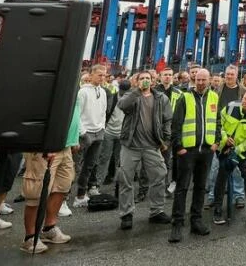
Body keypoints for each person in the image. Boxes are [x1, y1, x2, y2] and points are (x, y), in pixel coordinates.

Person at [19, 96, 81, 253]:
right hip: (45, 147)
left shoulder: (72, 81)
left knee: (62, 186)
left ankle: (49, 228)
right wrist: (43, 144)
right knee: (37, 192)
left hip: (65, 145)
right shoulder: (47, 81)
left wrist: (74, 138)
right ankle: (30, 238)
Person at [169, 68, 220, 243]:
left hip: (206, 150)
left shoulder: (214, 97)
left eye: (204, 80)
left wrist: (216, 142)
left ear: (209, 80)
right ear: (194, 80)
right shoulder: (185, 97)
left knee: (200, 187)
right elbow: (176, 124)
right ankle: (177, 224)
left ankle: (196, 221)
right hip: (188, 151)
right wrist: (179, 147)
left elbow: (218, 121)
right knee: (182, 188)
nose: (200, 83)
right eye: (198, 80)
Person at [117, 71, 173, 230]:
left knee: (160, 174)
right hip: (131, 145)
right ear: (137, 81)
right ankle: (126, 214)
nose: (145, 81)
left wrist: (166, 139)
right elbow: (122, 105)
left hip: (151, 145)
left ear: (153, 81)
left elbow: (167, 119)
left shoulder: (161, 98)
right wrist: (136, 91)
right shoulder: (132, 95)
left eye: (148, 78)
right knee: (126, 179)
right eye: (142, 78)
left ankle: (156, 211)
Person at [212, 88, 246, 224]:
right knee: (221, 177)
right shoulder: (230, 107)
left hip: (243, 151)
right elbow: (219, 124)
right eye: (245, 98)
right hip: (225, 147)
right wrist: (224, 139)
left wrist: (237, 149)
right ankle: (217, 209)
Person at [207, 65, 246, 209]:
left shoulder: (243, 91)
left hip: (236, 135)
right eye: (227, 74)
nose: (229, 76)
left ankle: (239, 196)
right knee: (215, 168)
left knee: (236, 168)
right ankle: (212, 196)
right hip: (219, 133)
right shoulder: (217, 90)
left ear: (237, 75)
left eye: (232, 74)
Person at [73, 64, 108, 208]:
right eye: (99, 75)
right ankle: (64, 197)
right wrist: (83, 132)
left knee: (89, 166)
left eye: (104, 75)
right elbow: (77, 114)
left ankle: (81, 194)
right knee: (75, 166)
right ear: (91, 75)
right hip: (85, 134)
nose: (102, 77)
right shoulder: (83, 92)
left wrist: (102, 128)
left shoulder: (103, 92)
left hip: (98, 133)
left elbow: (104, 112)